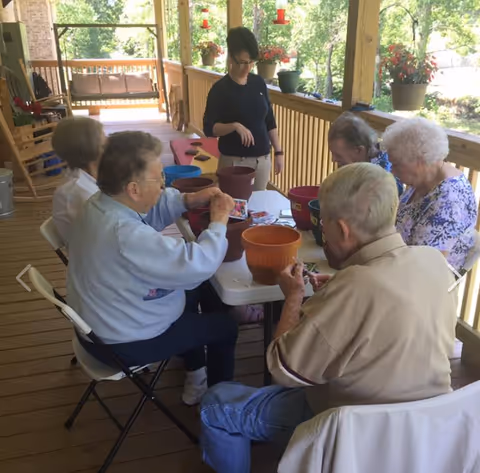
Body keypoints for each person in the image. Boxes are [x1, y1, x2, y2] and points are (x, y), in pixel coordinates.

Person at [199, 163, 457, 473]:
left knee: (216, 403)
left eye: (325, 223)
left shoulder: (355, 286)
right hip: (429, 427)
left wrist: (293, 298)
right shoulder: (432, 261)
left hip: (355, 433)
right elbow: (390, 307)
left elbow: (283, 369)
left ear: (343, 229)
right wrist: (338, 289)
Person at [67, 131, 238, 406]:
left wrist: (187, 200)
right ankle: (221, 406)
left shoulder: (99, 204)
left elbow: (148, 212)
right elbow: (199, 263)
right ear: (133, 188)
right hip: (122, 342)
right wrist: (218, 222)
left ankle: (196, 374)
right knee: (225, 326)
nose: (163, 184)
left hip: (101, 324)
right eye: (158, 178)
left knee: (198, 292)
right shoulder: (124, 234)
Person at [382, 117, 477, 272]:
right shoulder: (422, 181)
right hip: (398, 265)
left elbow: (428, 268)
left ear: (420, 160)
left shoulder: (450, 201)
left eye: (397, 164)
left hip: (421, 283)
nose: (392, 170)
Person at [203, 26, 283, 191]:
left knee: (259, 210)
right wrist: (234, 126)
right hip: (233, 162)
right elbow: (209, 128)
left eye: (251, 62)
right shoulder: (220, 89)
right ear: (231, 58)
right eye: (243, 62)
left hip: (262, 161)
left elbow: (270, 121)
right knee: (233, 209)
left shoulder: (258, 83)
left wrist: (279, 152)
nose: (247, 68)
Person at [52, 116, 106, 244]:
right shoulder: (77, 191)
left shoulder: (91, 178)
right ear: (90, 146)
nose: (108, 142)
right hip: (100, 259)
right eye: (103, 141)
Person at [328, 112, 403, 195]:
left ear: (359, 150)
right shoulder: (355, 163)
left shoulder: (381, 176)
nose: (333, 159)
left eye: (338, 155)